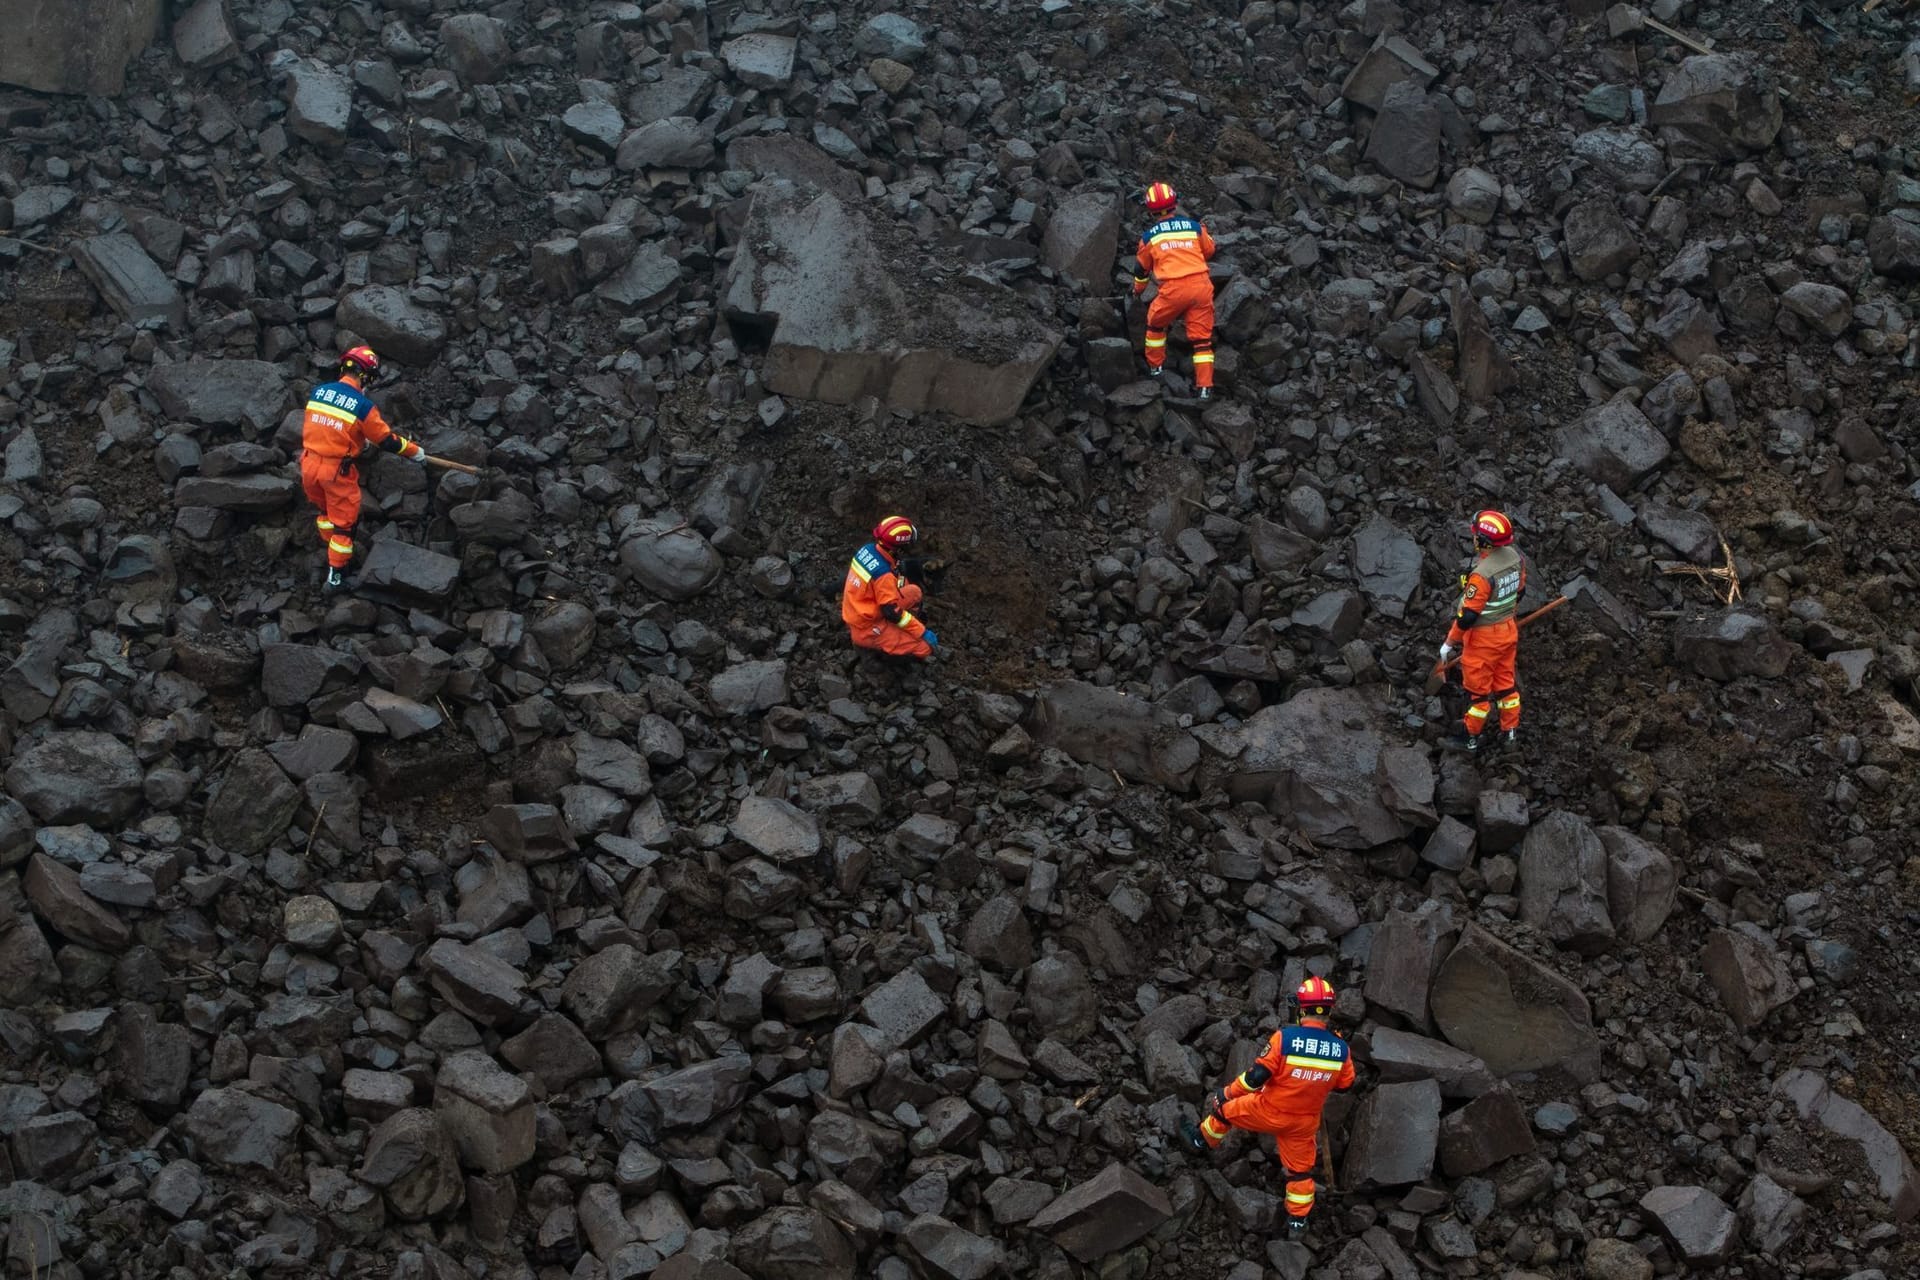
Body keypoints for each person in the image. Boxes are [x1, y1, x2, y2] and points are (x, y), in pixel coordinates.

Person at [1182, 976, 1354, 1236]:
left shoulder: (1284, 1039)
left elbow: (1255, 1078)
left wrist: (1226, 1093)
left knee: (1224, 1112)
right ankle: (1297, 1222)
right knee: (1300, 1172)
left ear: (1302, 1009)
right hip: (1304, 1123)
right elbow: (1344, 1086)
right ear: (1328, 1011)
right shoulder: (1341, 1049)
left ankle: (1199, 1141)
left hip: (1267, 1110)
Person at [299, 346, 426, 591]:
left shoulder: (319, 392)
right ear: (366, 375)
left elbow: (326, 426)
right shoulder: (362, 406)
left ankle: (327, 543)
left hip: (308, 463)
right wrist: (415, 452)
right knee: (346, 525)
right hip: (335, 471)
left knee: (324, 508)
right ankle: (336, 577)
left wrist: (356, 439)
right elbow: (387, 440)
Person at [1439, 509, 1527, 751]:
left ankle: (1470, 739)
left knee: (1478, 695)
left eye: (1476, 534)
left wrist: (1449, 643)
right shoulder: (1515, 558)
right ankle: (1509, 733)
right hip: (1507, 632)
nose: (1473, 537)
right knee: (1506, 686)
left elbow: (1467, 617)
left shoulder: (1481, 575)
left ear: (1483, 540)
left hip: (1483, 641)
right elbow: (1520, 591)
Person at [1130, 181, 1218, 399]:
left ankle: (1155, 368)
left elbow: (1141, 270)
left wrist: (1137, 291)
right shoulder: (1195, 227)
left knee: (1155, 324)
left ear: (1151, 211)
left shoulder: (1149, 237)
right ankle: (1205, 388)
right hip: (1201, 287)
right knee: (1201, 340)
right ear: (1176, 203)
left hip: (1173, 291)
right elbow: (1210, 250)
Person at [841, 515, 938, 660]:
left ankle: (894, 634)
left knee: (914, 592)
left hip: (859, 609)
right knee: (925, 648)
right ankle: (873, 653)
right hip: (867, 628)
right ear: (898, 548)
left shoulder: (868, 549)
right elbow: (891, 612)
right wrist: (921, 632)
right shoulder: (883, 575)